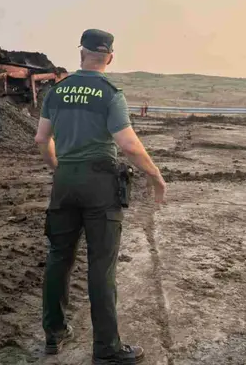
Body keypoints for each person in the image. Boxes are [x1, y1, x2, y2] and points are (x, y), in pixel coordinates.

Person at [34, 28, 167, 364]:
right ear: (109, 56)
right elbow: (127, 144)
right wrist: (155, 175)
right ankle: (106, 347)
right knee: (101, 266)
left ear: (81, 53)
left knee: (58, 258)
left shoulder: (57, 90)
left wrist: (59, 168)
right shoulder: (109, 93)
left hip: (64, 181)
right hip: (100, 186)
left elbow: (41, 139)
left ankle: (53, 336)